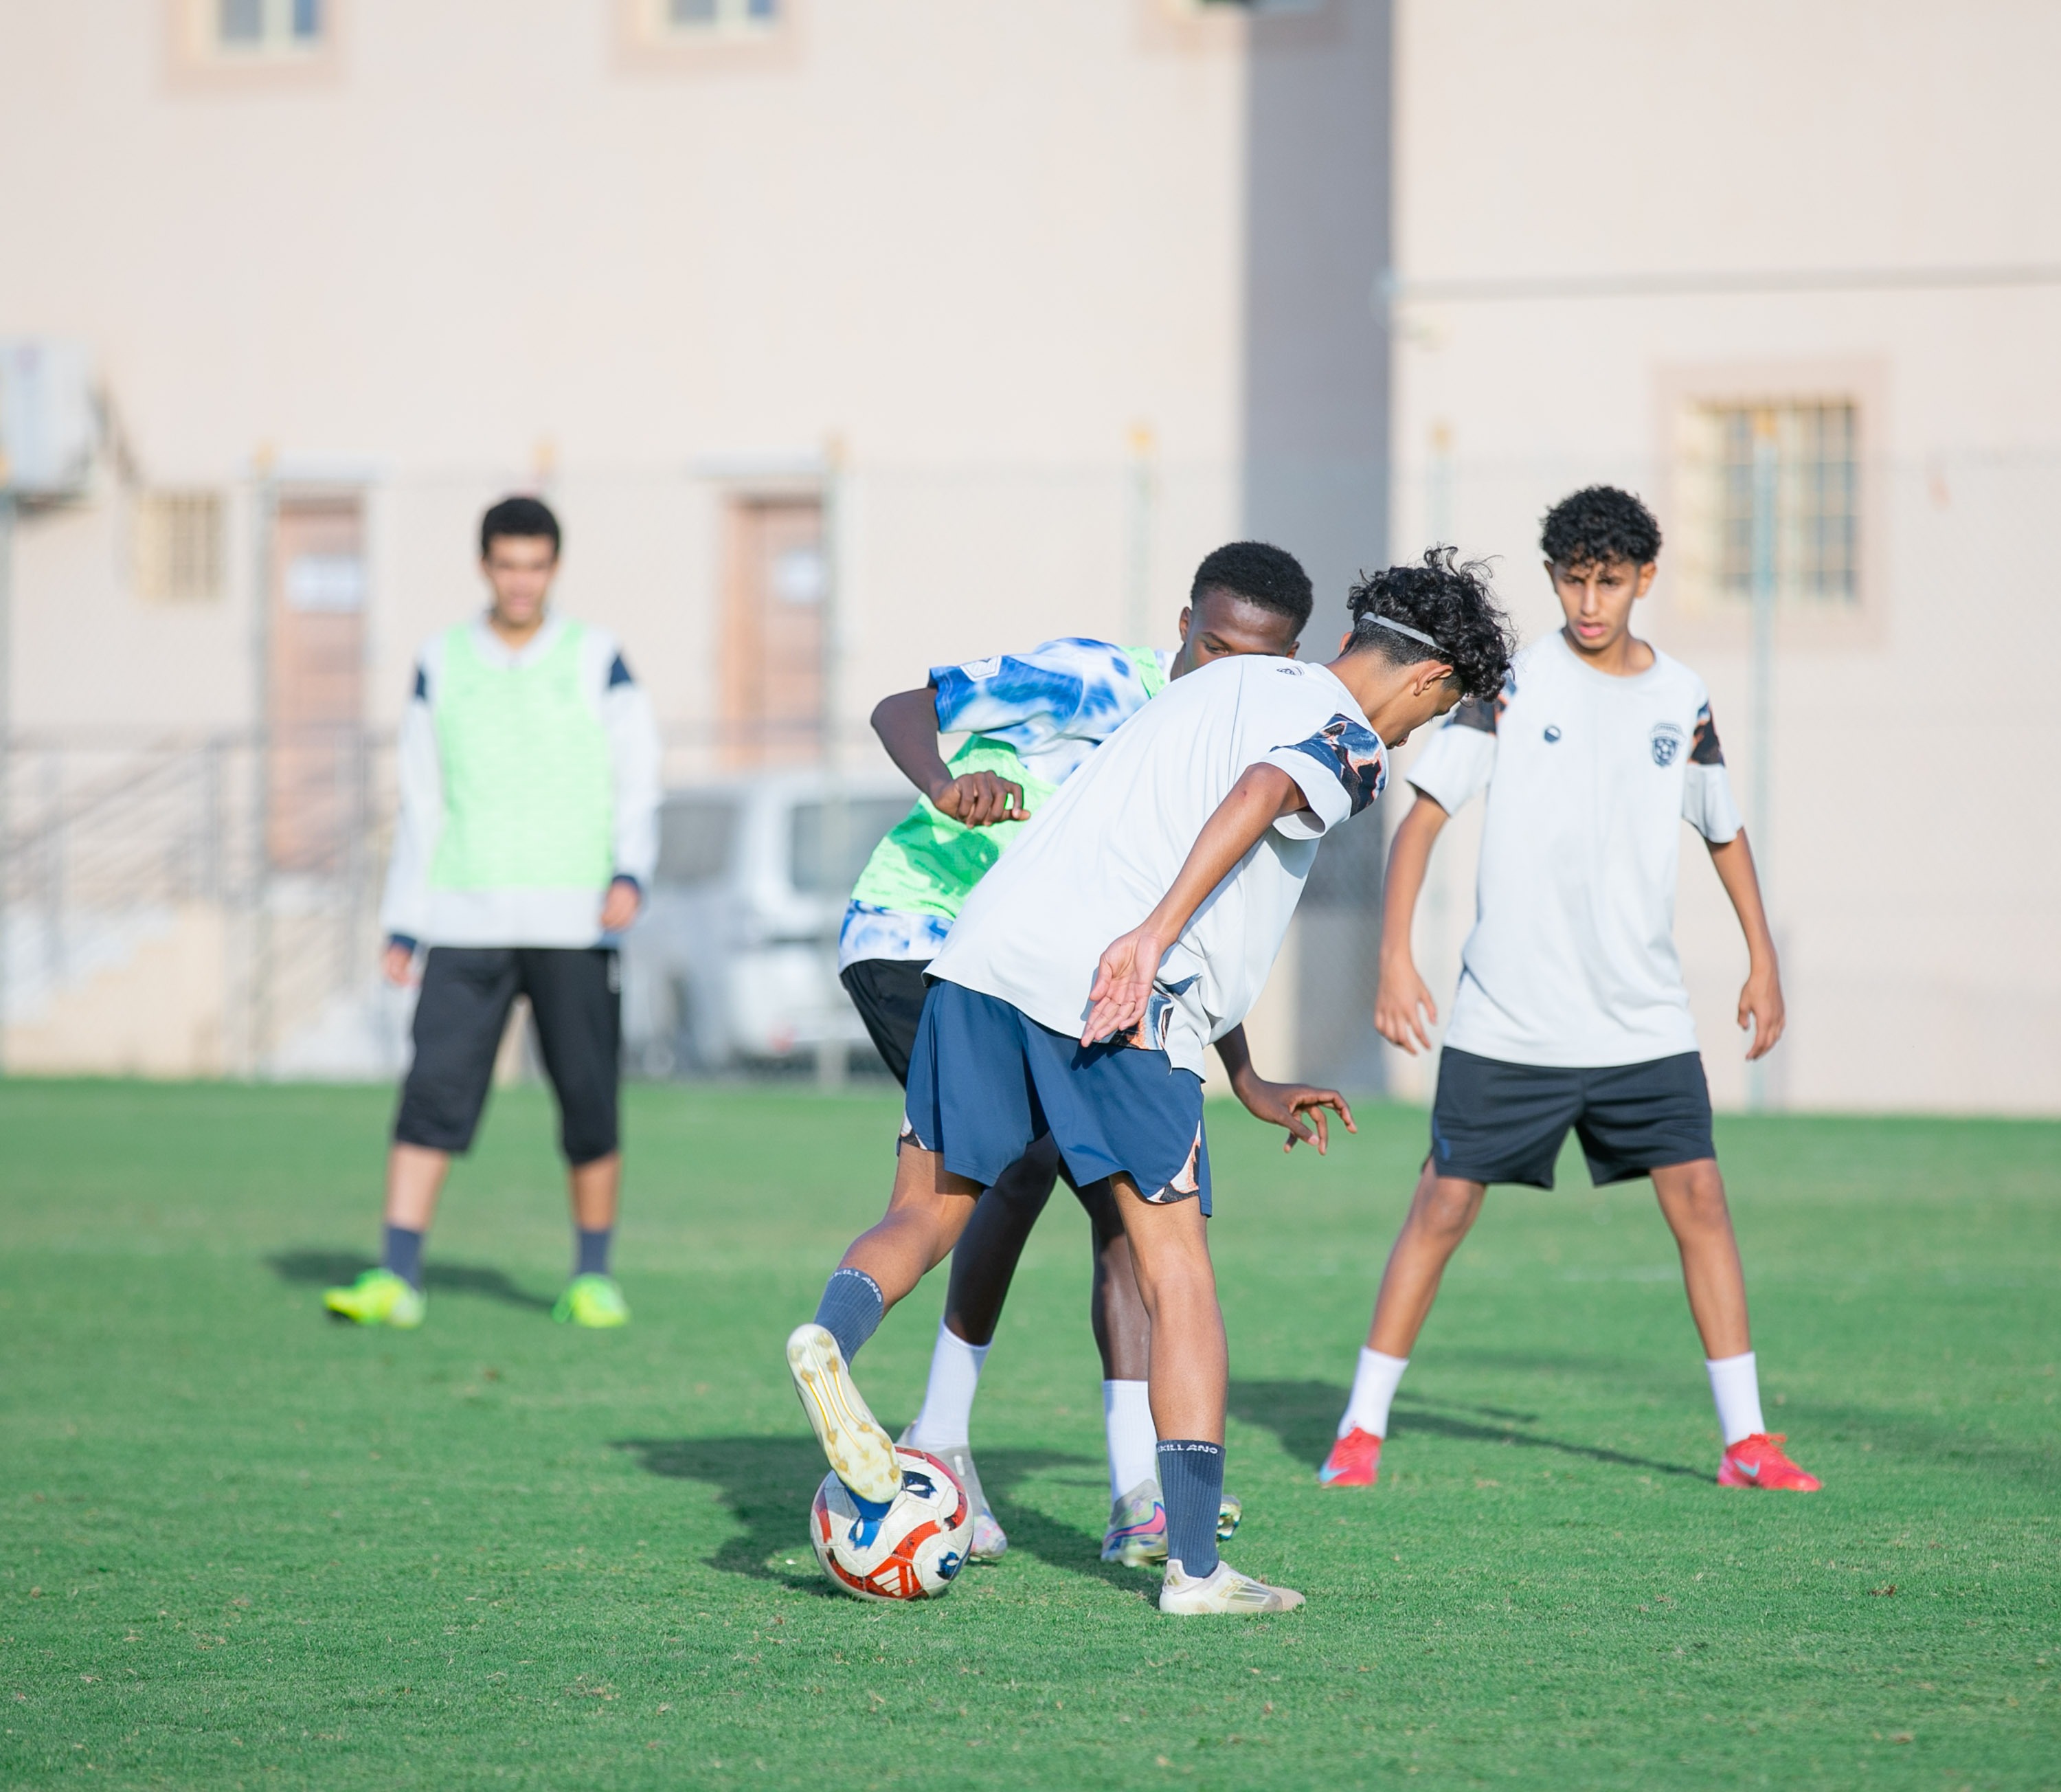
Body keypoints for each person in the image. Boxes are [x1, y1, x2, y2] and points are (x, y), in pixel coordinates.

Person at [789, 547, 1514, 1614]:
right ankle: (1194, 1566)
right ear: (1431, 682)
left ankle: (831, 1337)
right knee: (1176, 1269)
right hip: (1116, 993)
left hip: (982, 956)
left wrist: (1251, 1075)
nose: (1415, 734)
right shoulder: (1352, 737)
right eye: (1433, 714)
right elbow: (1265, 795)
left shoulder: (1207, 680)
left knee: (924, 1212)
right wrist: (1150, 941)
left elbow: (1143, 835)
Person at [837, 544, 1353, 1567]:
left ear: (1290, 658)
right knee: (1015, 1167)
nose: (1221, 669)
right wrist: (945, 784)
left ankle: (1134, 1493)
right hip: (926, 932)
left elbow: (1179, 925)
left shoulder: (1256, 736)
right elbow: (904, 704)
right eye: (1207, 644)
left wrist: (1244, 1076)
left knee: (1122, 1200)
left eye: (1250, 655)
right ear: (1180, 625)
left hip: (1073, 980)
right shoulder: (1101, 680)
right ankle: (939, 1442)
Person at [1320, 488, 1821, 1494]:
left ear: (1644, 579)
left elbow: (1723, 830)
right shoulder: (1505, 686)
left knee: (1703, 1201)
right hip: (1510, 1016)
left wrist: (1763, 959)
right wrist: (1395, 959)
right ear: (1554, 577)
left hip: (1643, 1019)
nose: (1590, 600)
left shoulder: (1683, 696)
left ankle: (1746, 1442)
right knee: (1443, 1206)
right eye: (1573, 578)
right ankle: (1361, 1429)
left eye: (1611, 580)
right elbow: (1420, 820)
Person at [323, 495, 661, 1331]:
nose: (522, 581)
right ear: (485, 567)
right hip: (464, 918)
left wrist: (630, 870)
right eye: (507, 565)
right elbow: (421, 796)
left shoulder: (598, 657)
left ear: (554, 568)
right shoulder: (441, 661)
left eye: (536, 565)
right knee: (430, 1094)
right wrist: (405, 917)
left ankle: (592, 1278)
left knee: (588, 1101)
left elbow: (639, 772)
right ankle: (396, 1276)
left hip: (575, 920)